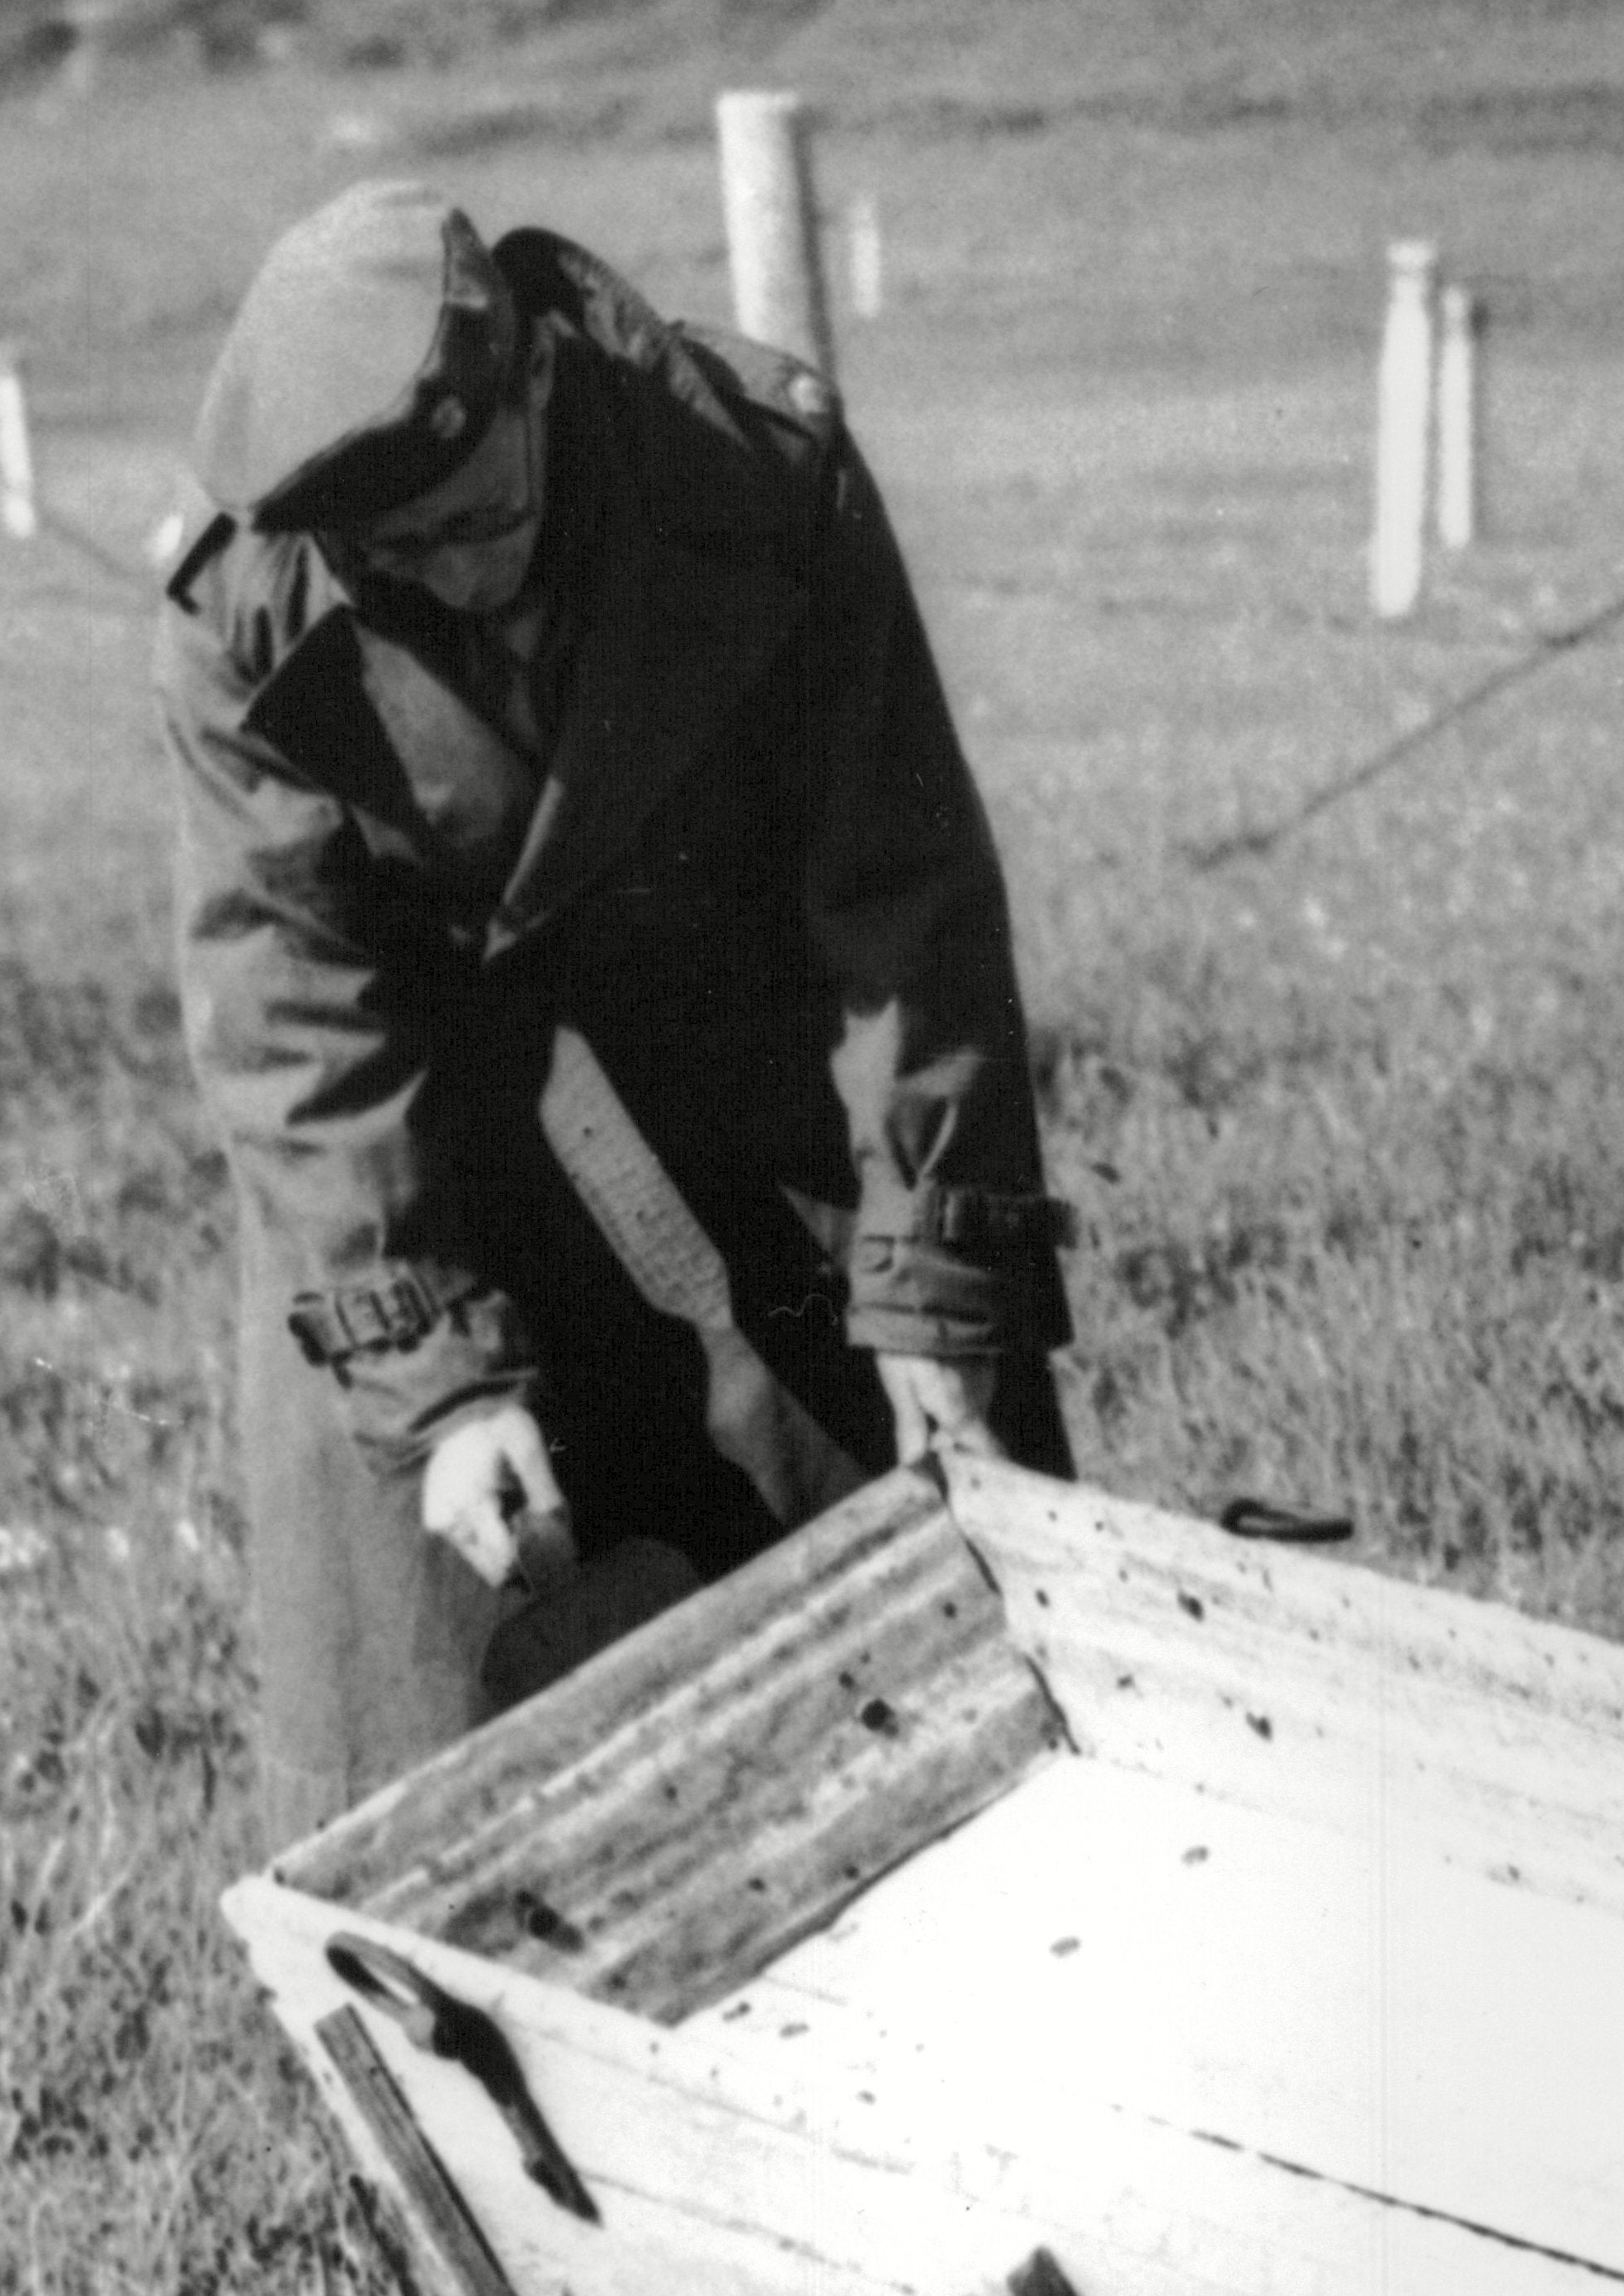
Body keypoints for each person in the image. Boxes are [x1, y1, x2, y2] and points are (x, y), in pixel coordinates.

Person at [158, 178, 1072, 1840]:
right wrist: (441, 1386)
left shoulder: (759, 480)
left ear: (532, 387)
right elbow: (299, 1026)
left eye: (473, 518)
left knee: (939, 1672)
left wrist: (940, 1297)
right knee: (451, 1777)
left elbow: (904, 907)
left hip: (752, 1116)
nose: (456, 577)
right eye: (399, 560)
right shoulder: (251, 624)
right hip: (429, 1181)